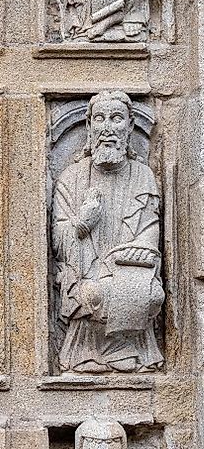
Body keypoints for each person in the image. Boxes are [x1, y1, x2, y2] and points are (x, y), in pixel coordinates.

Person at [52, 90, 163, 374]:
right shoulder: (72, 177)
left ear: (129, 125)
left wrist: (141, 247)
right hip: (86, 274)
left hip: (128, 271)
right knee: (93, 293)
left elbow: (150, 229)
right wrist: (83, 223)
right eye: (99, 119)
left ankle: (126, 346)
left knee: (151, 295)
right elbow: (58, 240)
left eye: (116, 118)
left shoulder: (143, 175)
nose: (107, 128)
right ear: (89, 127)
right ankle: (87, 352)